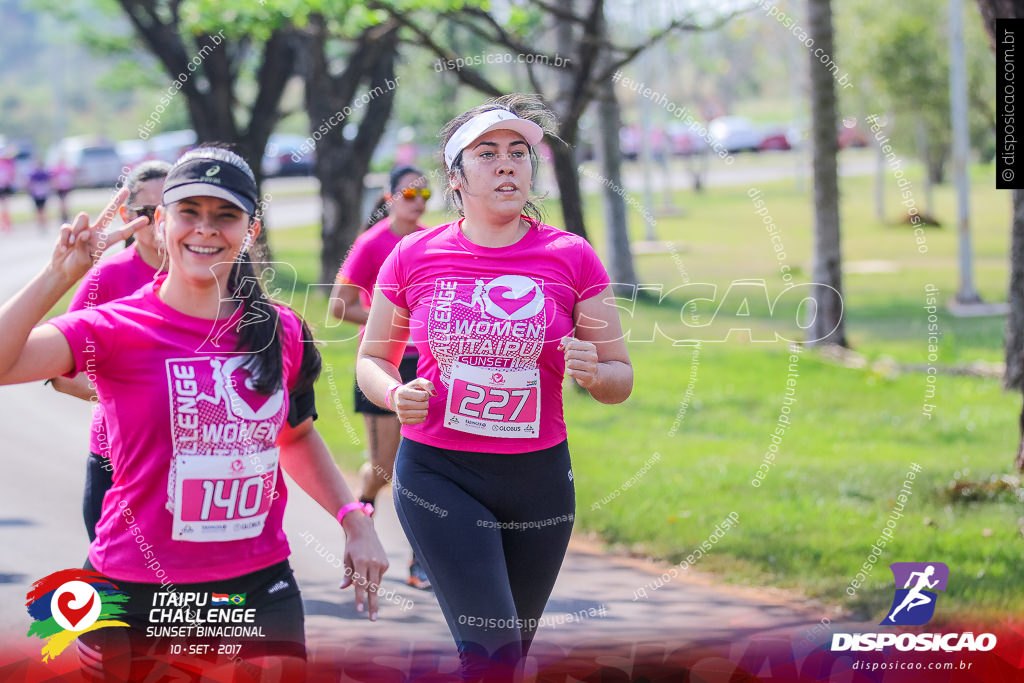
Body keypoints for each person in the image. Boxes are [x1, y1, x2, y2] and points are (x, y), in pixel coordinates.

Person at [0, 147, 388, 681]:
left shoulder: (279, 331)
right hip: (132, 596)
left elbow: (295, 438)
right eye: (190, 212)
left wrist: (353, 520)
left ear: (249, 231)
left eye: (225, 215)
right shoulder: (114, 329)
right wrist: (56, 276)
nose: (205, 230)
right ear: (161, 223)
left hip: (257, 588)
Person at [356, 94, 633, 680]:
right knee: (493, 654)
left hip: (539, 482)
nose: (507, 164)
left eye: (518, 153)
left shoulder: (572, 257)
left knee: (510, 655)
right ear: (455, 178)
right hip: (439, 474)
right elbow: (372, 359)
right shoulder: (414, 254)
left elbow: (620, 377)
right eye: (487, 154)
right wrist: (392, 393)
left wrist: (593, 373)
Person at [50, 160, 170, 543]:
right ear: (126, 215)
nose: (158, 222)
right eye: (147, 213)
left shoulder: (208, 277)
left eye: (171, 209)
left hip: (192, 461)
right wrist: (135, 398)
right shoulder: (108, 278)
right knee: (114, 588)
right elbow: (60, 374)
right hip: (118, 458)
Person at [331, 165, 434, 590]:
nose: (418, 200)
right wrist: (392, 325)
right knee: (385, 467)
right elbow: (339, 305)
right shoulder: (372, 243)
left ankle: (420, 561)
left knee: (424, 465)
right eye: (409, 192)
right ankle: (364, 502)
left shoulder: (430, 241)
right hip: (382, 365)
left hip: (427, 364)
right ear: (391, 197)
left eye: (425, 193)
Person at [27, 161, 50, 231]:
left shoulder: (43, 174)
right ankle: (41, 225)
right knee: (40, 210)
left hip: (41, 194)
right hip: (37, 194)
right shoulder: (34, 174)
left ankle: (42, 225)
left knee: (41, 210)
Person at [52, 157, 75, 223]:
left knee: (64, 203)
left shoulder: (65, 169)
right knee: (62, 203)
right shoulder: (57, 170)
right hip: (60, 188)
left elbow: (70, 176)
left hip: (65, 188)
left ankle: (65, 217)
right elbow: (54, 178)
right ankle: (63, 217)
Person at [0, 149, 14, 232]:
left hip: (5, 187)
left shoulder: (8, 164)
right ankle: (4, 224)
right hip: (2, 187)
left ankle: (7, 223)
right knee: (4, 206)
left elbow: (11, 175)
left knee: (5, 206)